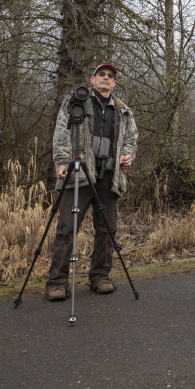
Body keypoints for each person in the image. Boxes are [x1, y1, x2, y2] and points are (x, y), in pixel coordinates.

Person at [46, 63, 139, 300]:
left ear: (114, 82)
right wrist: (62, 162)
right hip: (77, 174)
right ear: (93, 79)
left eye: (110, 76)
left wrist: (128, 154)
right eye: (102, 75)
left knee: (107, 229)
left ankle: (100, 277)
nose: (106, 79)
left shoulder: (123, 110)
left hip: (109, 176)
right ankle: (57, 282)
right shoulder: (75, 101)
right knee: (67, 228)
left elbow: (131, 139)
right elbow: (61, 134)